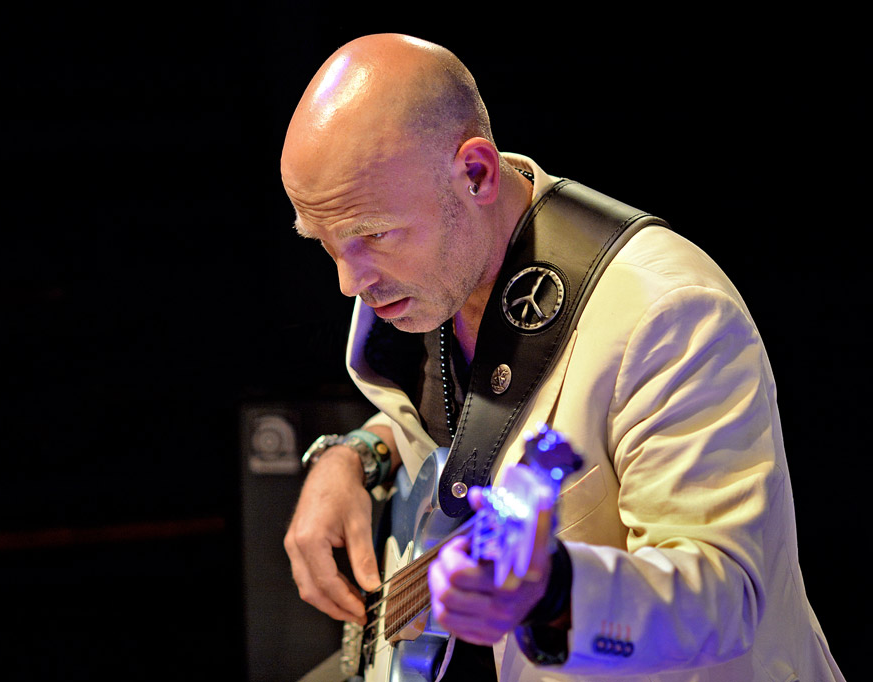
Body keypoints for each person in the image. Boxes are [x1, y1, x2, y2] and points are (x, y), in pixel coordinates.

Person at [280, 33, 844, 682]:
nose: (350, 282)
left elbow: (724, 598)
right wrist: (356, 454)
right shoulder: (428, 277)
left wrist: (552, 598)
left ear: (475, 174)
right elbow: (452, 427)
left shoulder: (670, 314)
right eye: (324, 243)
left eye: (373, 234)